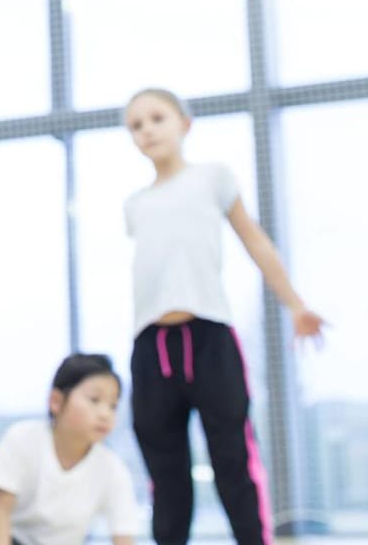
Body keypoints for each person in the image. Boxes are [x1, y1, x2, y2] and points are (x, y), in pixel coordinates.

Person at [122, 88, 326, 545]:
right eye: (136, 125)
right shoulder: (134, 204)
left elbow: (254, 240)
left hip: (211, 338)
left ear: (184, 123)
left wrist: (294, 303)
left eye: (157, 118)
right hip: (150, 348)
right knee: (166, 474)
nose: (147, 130)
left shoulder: (213, 178)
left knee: (233, 461)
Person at [0, 353, 139, 545]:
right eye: (95, 400)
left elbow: (124, 537)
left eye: (113, 406)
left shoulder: (113, 468)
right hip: (3, 539)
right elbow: (1, 511)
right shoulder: (22, 437)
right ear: (56, 401)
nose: (105, 414)